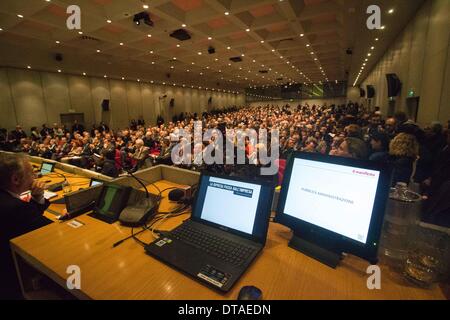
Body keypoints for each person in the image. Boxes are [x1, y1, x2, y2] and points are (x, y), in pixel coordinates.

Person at [0, 153, 52, 299]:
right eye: (31, 173)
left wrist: (37, 198)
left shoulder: (9, 201)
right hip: (11, 279)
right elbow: (50, 229)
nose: (35, 177)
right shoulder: (14, 208)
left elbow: (27, 218)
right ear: (15, 179)